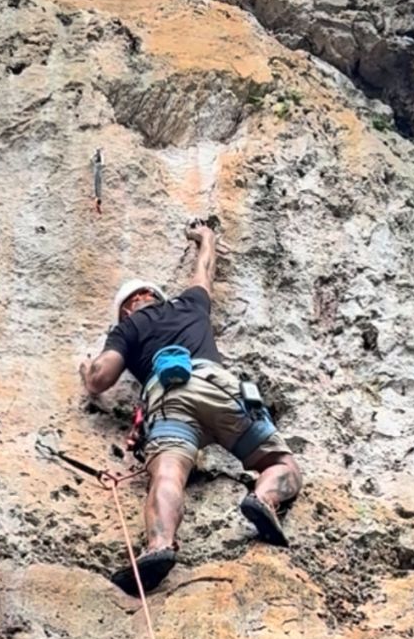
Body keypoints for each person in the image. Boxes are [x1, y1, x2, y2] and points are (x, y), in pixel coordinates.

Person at [79, 221, 302, 595]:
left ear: (128, 308)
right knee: (283, 465)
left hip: (170, 401)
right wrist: (207, 237)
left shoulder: (129, 328)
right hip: (219, 390)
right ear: (155, 295)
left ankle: (160, 547)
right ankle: (263, 498)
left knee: (168, 476)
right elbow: (206, 269)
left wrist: (88, 369)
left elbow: (102, 378)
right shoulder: (189, 304)